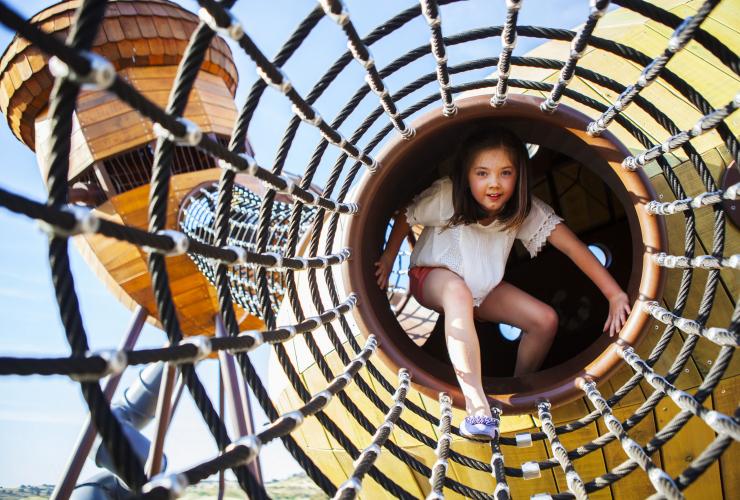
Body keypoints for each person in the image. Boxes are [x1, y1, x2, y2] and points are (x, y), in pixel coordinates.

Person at [374, 127, 631, 442]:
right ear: (466, 175)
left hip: (481, 290)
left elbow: (571, 246)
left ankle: (516, 389)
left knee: (544, 320)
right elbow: (407, 214)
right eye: (482, 173)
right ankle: (476, 404)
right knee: (457, 291)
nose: (494, 183)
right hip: (432, 276)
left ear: (519, 176)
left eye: (505, 173)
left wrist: (614, 294)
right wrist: (388, 257)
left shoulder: (523, 211)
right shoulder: (448, 196)